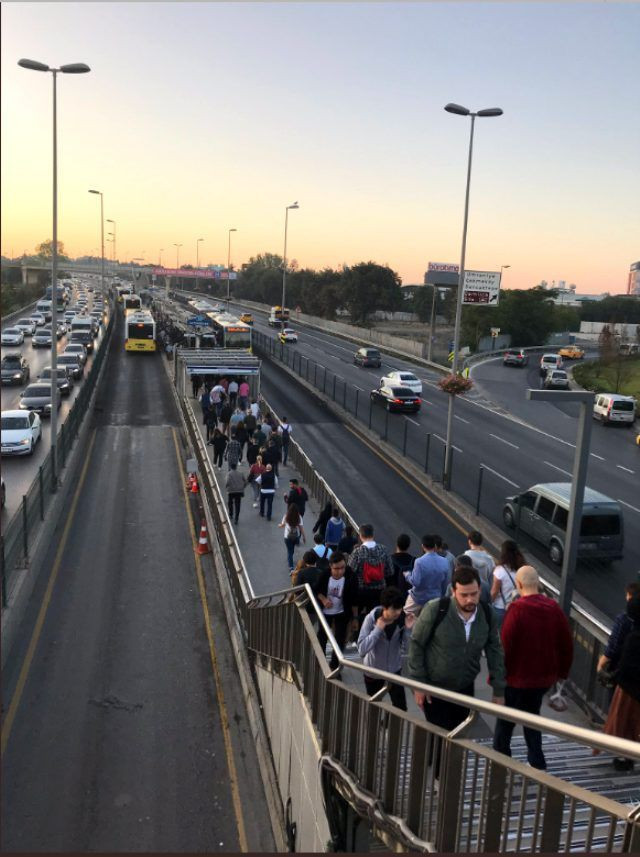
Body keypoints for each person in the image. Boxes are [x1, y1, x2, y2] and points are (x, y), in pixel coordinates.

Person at [408, 566, 505, 740]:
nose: (470, 599)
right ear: (453, 592)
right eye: (464, 595)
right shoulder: (435, 609)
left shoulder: (487, 614)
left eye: (474, 594)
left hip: (465, 688)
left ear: (479, 589)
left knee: (458, 737)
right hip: (435, 689)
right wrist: (419, 684)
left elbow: (494, 651)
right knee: (438, 738)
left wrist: (499, 689)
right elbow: (416, 644)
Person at [493, 565, 573, 770]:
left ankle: (501, 762)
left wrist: (495, 679)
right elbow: (566, 644)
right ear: (537, 583)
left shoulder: (517, 609)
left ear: (519, 584)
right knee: (531, 716)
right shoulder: (554, 609)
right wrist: (562, 673)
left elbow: (505, 647)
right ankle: (537, 762)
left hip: (516, 679)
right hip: (542, 680)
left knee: (505, 722)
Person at [601, 596, 640, 770]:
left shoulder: (633, 638)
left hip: (628, 690)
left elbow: (625, 666)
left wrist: (612, 676)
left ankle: (625, 758)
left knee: (623, 724)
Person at [358, 586, 411, 710]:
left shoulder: (402, 620)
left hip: (394, 671)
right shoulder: (371, 619)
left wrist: (409, 630)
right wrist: (377, 629)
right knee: (374, 708)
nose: (398, 612)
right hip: (373, 672)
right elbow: (361, 649)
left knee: (401, 709)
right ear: (384, 607)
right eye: (394, 609)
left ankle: (389, 721)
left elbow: (408, 649)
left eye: (400, 608)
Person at [315, 553, 360, 670]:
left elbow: (355, 599)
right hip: (325, 612)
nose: (340, 571)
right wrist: (323, 599)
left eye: (342, 567)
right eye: (336, 568)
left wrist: (355, 618)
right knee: (322, 637)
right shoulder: (325, 575)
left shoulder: (351, 576)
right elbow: (316, 590)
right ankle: (319, 665)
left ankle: (335, 667)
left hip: (342, 612)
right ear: (330, 566)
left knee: (340, 640)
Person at [403, 535, 450, 628]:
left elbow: (415, 582)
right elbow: (445, 583)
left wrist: (407, 575)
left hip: (417, 598)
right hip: (434, 598)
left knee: (405, 617)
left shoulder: (419, 562)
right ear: (435, 546)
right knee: (427, 624)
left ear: (423, 546)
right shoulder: (445, 561)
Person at [349, 524, 394, 620]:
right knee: (376, 617)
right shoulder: (383, 550)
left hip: (362, 590)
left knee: (358, 617)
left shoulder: (357, 552)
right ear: (373, 535)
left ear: (360, 536)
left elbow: (350, 572)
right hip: (379, 590)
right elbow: (390, 571)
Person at [597, 582, 640, 678]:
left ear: (630, 597)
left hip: (620, 669)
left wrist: (600, 664)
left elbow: (614, 646)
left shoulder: (623, 620)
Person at [490, 540, 526, 627]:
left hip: (501, 607)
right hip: (517, 607)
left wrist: (488, 603)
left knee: (499, 631)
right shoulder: (523, 569)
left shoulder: (500, 571)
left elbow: (494, 592)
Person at [279, 503, 306, 572]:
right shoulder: (299, 517)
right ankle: (290, 560)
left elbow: (282, 525)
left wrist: (279, 525)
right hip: (295, 537)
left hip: (287, 537)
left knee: (289, 551)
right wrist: (304, 537)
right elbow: (301, 528)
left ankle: (291, 567)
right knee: (291, 550)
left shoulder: (286, 516)